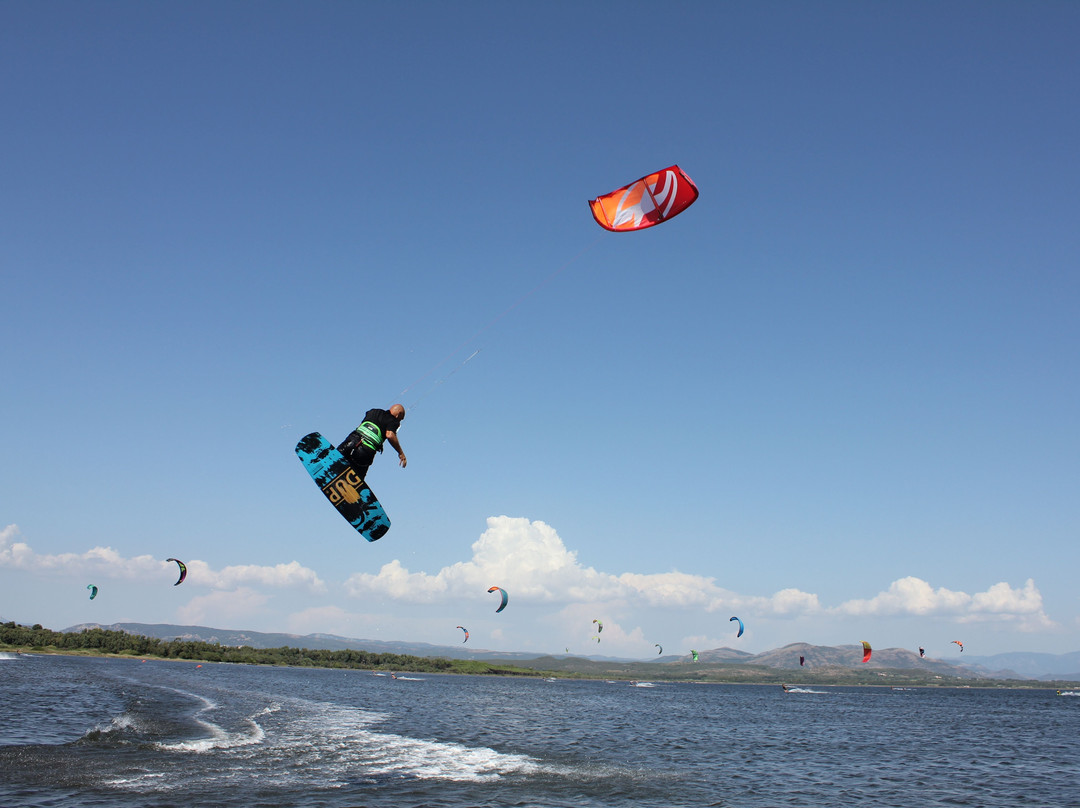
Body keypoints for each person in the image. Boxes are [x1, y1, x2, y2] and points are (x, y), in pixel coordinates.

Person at [337, 404, 407, 480]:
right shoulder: (393, 421)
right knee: (356, 479)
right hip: (365, 451)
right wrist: (401, 453)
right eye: (401, 418)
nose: (399, 420)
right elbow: (390, 435)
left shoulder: (373, 411)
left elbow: (360, 425)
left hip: (350, 441)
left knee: (336, 462)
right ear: (398, 414)